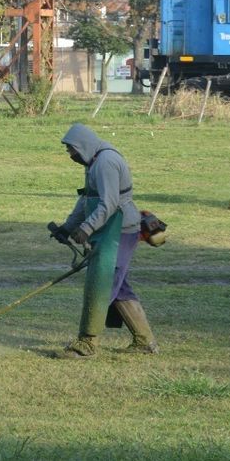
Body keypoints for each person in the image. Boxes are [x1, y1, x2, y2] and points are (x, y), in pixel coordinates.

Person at [48, 122, 157, 357]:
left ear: (82, 145)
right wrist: (68, 227)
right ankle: (145, 341)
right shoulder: (93, 162)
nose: (70, 155)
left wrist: (86, 228)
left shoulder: (105, 163)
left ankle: (87, 344)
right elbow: (87, 199)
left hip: (120, 230)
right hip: (110, 229)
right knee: (118, 286)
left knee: (102, 283)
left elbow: (109, 204)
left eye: (71, 150)